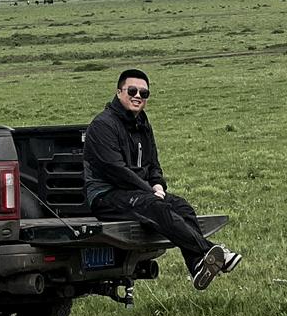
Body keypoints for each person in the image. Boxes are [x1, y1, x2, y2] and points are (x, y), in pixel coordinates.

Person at [83, 68, 241, 290]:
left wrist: (157, 184)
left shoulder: (142, 124)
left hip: (138, 192)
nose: (138, 96)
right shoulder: (103, 125)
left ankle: (197, 264)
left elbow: (153, 164)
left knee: (182, 207)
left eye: (144, 93)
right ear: (119, 92)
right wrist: (148, 191)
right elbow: (114, 170)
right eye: (132, 90)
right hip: (106, 195)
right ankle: (211, 252)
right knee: (155, 206)